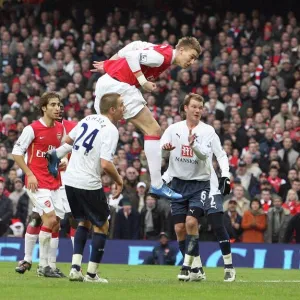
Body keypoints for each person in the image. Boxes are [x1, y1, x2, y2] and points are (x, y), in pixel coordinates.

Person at [91, 37, 202, 200]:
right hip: (119, 87)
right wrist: (143, 82)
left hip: (107, 83)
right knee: (153, 130)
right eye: (191, 56)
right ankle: (157, 185)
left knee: (99, 134)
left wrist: (110, 62)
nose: (191, 62)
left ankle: (61, 155)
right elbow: (132, 56)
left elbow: (135, 44)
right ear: (182, 50)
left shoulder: (162, 49)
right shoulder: (161, 57)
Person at [48, 93, 124, 283]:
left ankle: (75, 268)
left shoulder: (87, 118)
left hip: (71, 180)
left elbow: (68, 139)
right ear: (112, 109)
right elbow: (106, 164)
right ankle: (91, 274)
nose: (125, 108)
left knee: (84, 221)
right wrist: (119, 180)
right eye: (122, 105)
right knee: (103, 224)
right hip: (88, 182)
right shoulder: (111, 129)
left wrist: (58, 153)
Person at [161, 93, 235, 282]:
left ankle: (228, 266)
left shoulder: (208, 131)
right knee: (179, 228)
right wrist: (164, 151)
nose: (197, 110)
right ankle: (197, 268)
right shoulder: (173, 129)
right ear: (185, 108)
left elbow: (218, 155)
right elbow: (163, 150)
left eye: (200, 107)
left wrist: (225, 175)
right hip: (179, 184)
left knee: (215, 224)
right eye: (194, 106)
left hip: (205, 184)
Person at [15, 103, 76, 276]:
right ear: (45, 108)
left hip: (61, 181)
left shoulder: (69, 127)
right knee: (38, 218)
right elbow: (24, 152)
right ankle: (30, 259)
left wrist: (64, 163)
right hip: (40, 179)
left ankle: (51, 264)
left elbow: (64, 152)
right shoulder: (35, 129)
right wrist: (30, 173)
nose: (58, 109)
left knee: (56, 222)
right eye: (54, 105)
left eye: (60, 106)